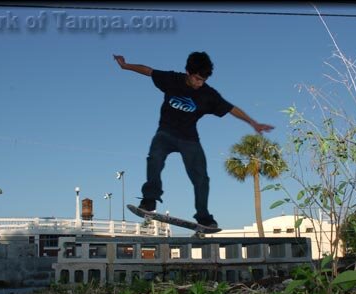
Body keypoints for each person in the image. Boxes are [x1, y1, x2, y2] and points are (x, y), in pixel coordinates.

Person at [114, 51, 273, 228]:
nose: (199, 83)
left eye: (203, 80)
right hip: (165, 133)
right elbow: (148, 71)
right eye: (197, 79)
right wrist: (125, 66)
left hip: (189, 139)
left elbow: (231, 108)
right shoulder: (172, 79)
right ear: (188, 72)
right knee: (154, 158)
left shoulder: (208, 94)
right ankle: (150, 200)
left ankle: (204, 217)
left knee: (201, 178)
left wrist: (253, 123)